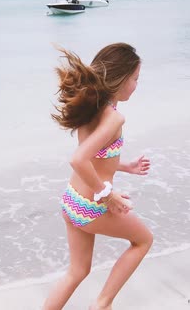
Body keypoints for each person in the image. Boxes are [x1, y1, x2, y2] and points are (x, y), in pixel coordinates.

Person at [43, 43, 153, 310]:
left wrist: (125, 167)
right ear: (121, 78)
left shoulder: (89, 108)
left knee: (77, 272)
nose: (137, 85)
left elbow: (95, 159)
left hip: (71, 201)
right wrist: (108, 195)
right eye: (135, 79)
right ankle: (102, 304)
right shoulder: (113, 118)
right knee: (143, 241)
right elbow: (78, 159)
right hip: (92, 206)